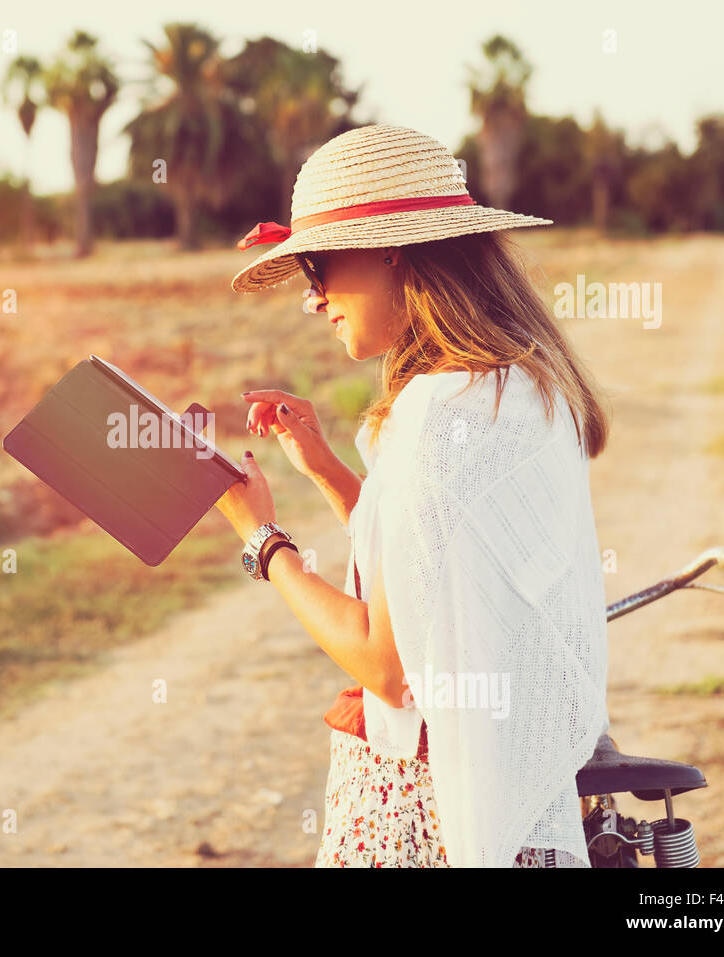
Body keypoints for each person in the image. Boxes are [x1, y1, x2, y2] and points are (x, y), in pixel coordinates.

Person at [215, 124, 610, 868]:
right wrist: (328, 471)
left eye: (319, 268)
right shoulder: (519, 386)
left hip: (420, 811)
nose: (315, 299)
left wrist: (262, 541)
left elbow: (387, 666)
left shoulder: (434, 413)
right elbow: (438, 567)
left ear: (391, 249)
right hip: (509, 781)